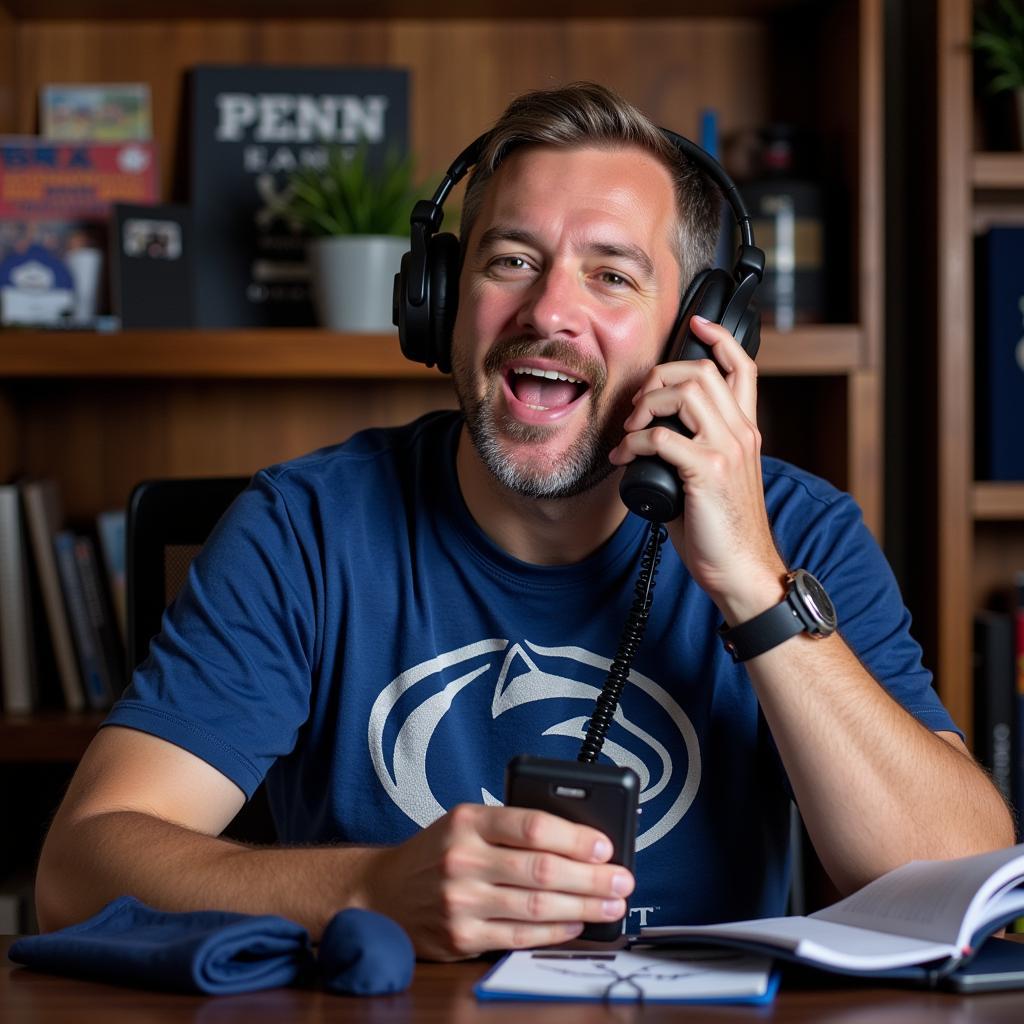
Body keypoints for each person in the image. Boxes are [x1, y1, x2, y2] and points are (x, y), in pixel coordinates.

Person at [36, 83, 1013, 961]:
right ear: (440, 303)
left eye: (611, 275)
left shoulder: (799, 532)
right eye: (512, 259)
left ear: (701, 335)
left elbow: (961, 884)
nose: (549, 311)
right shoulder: (305, 531)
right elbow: (75, 872)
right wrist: (365, 888)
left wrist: (752, 587)